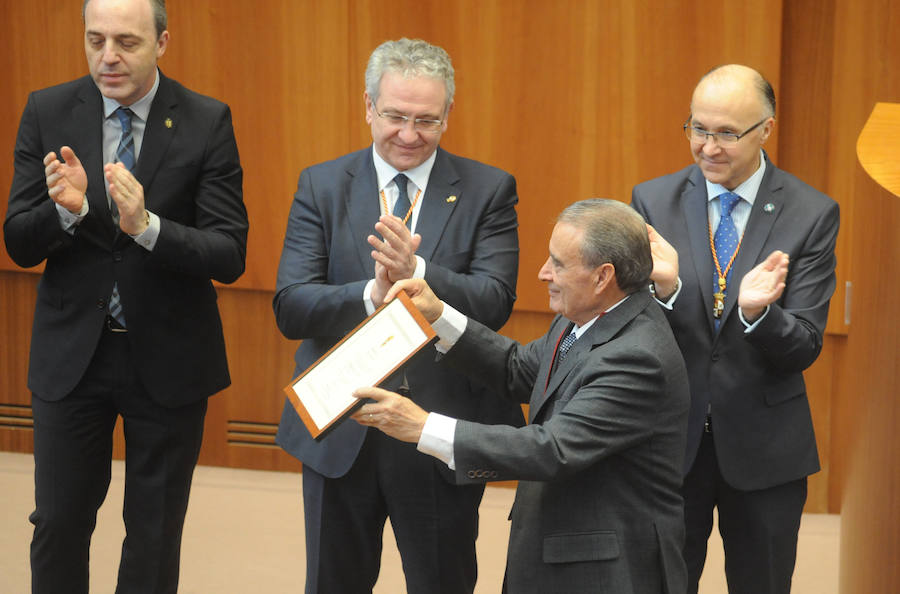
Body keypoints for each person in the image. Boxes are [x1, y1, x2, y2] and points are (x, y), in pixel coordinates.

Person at [3, 0, 248, 591]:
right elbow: (18, 240)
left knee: (154, 532)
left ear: (162, 42)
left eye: (127, 42)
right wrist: (68, 214)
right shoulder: (49, 109)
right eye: (95, 40)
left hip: (167, 357)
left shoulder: (205, 120)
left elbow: (229, 252)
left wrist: (148, 227)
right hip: (72, 359)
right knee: (59, 522)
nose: (107, 56)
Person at [272, 38, 522, 593]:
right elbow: (291, 305)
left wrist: (421, 273)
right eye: (395, 117)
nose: (409, 135)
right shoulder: (323, 185)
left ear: (448, 115)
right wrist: (369, 294)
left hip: (435, 430)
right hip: (342, 427)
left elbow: (496, 301)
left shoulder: (487, 190)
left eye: (426, 121)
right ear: (367, 107)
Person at [350, 199, 690, 594]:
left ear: (603, 276)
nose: (544, 273)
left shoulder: (637, 356)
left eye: (558, 264)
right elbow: (517, 368)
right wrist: (436, 314)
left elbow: (552, 448)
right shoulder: (584, 317)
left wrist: (421, 427)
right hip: (560, 552)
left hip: (605, 571)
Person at [631, 64, 840, 594]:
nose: (708, 147)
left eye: (727, 133)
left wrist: (758, 315)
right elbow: (632, 327)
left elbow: (805, 347)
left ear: (766, 129)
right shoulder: (652, 200)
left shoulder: (811, 214)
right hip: (671, 444)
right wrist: (669, 290)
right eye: (698, 129)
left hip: (767, 451)